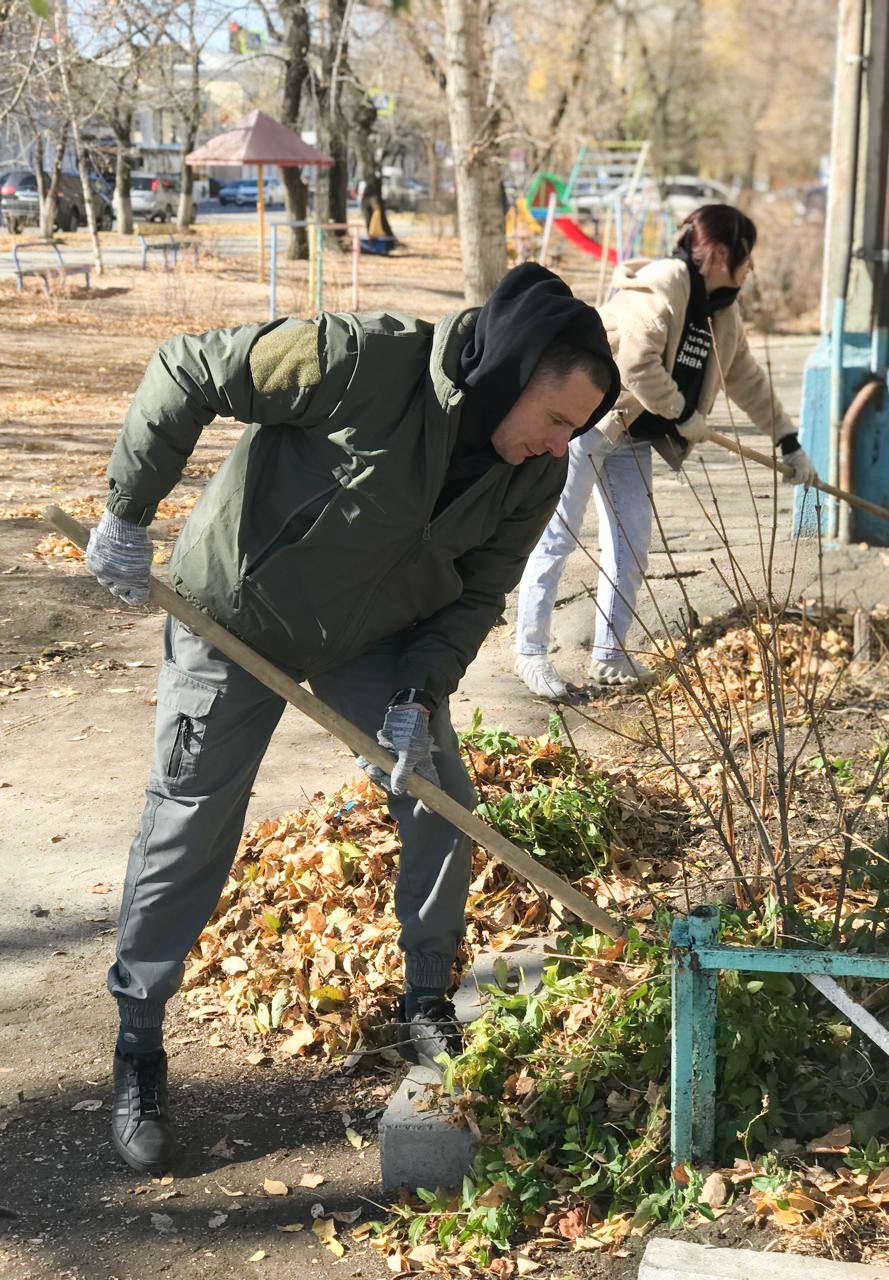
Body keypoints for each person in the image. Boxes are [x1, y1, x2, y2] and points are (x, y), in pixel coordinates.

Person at [84, 263, 620, 1173]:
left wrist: (418, 693)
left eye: (578, 428)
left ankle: (425, 1000)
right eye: (556, 416)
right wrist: (129, 513)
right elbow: (187, 367)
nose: (558, 444)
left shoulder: (533, 475)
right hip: (234, 614)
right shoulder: (367, 361)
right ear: (511, 368)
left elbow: (476, 594)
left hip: (374, 638)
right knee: (192, 820)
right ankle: (139, 1037)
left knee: (441, 797)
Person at [514, 205, 818, 700]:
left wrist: (787, 439)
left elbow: (746, 378)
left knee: (631, 545)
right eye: (746, 256)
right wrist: (681, 413)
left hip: (636, 435)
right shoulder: (665, 281)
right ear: (721, 253)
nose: (749, 268)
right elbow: (635, 359)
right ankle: (531, 653)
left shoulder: (722, 310)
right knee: (559, 534)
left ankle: (610, 656)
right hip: (591, 419)